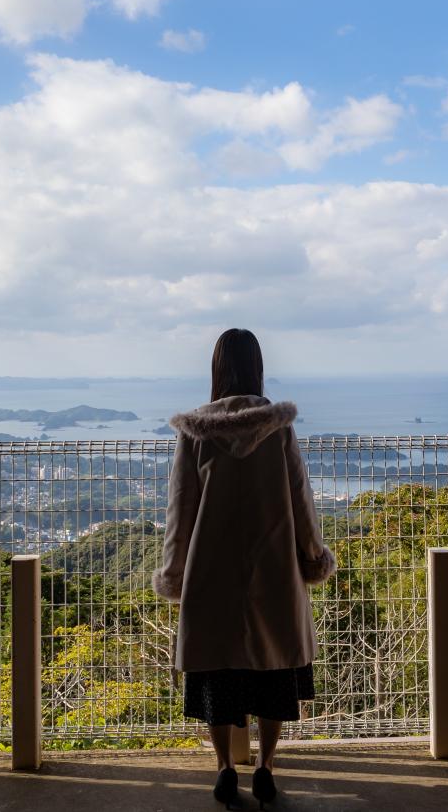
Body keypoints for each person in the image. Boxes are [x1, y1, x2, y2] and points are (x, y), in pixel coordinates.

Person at [153, 328, 337, 810]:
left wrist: (174, 570)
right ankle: (267, 767)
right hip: (272, 567)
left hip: (211, 571)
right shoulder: (277, 427)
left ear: (215, 369)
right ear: (257, 367)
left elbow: (180, 510)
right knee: (273, 672)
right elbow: (301, 498)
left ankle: (224, 769)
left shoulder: (195, 432)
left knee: (217, 674)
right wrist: (313, 554)